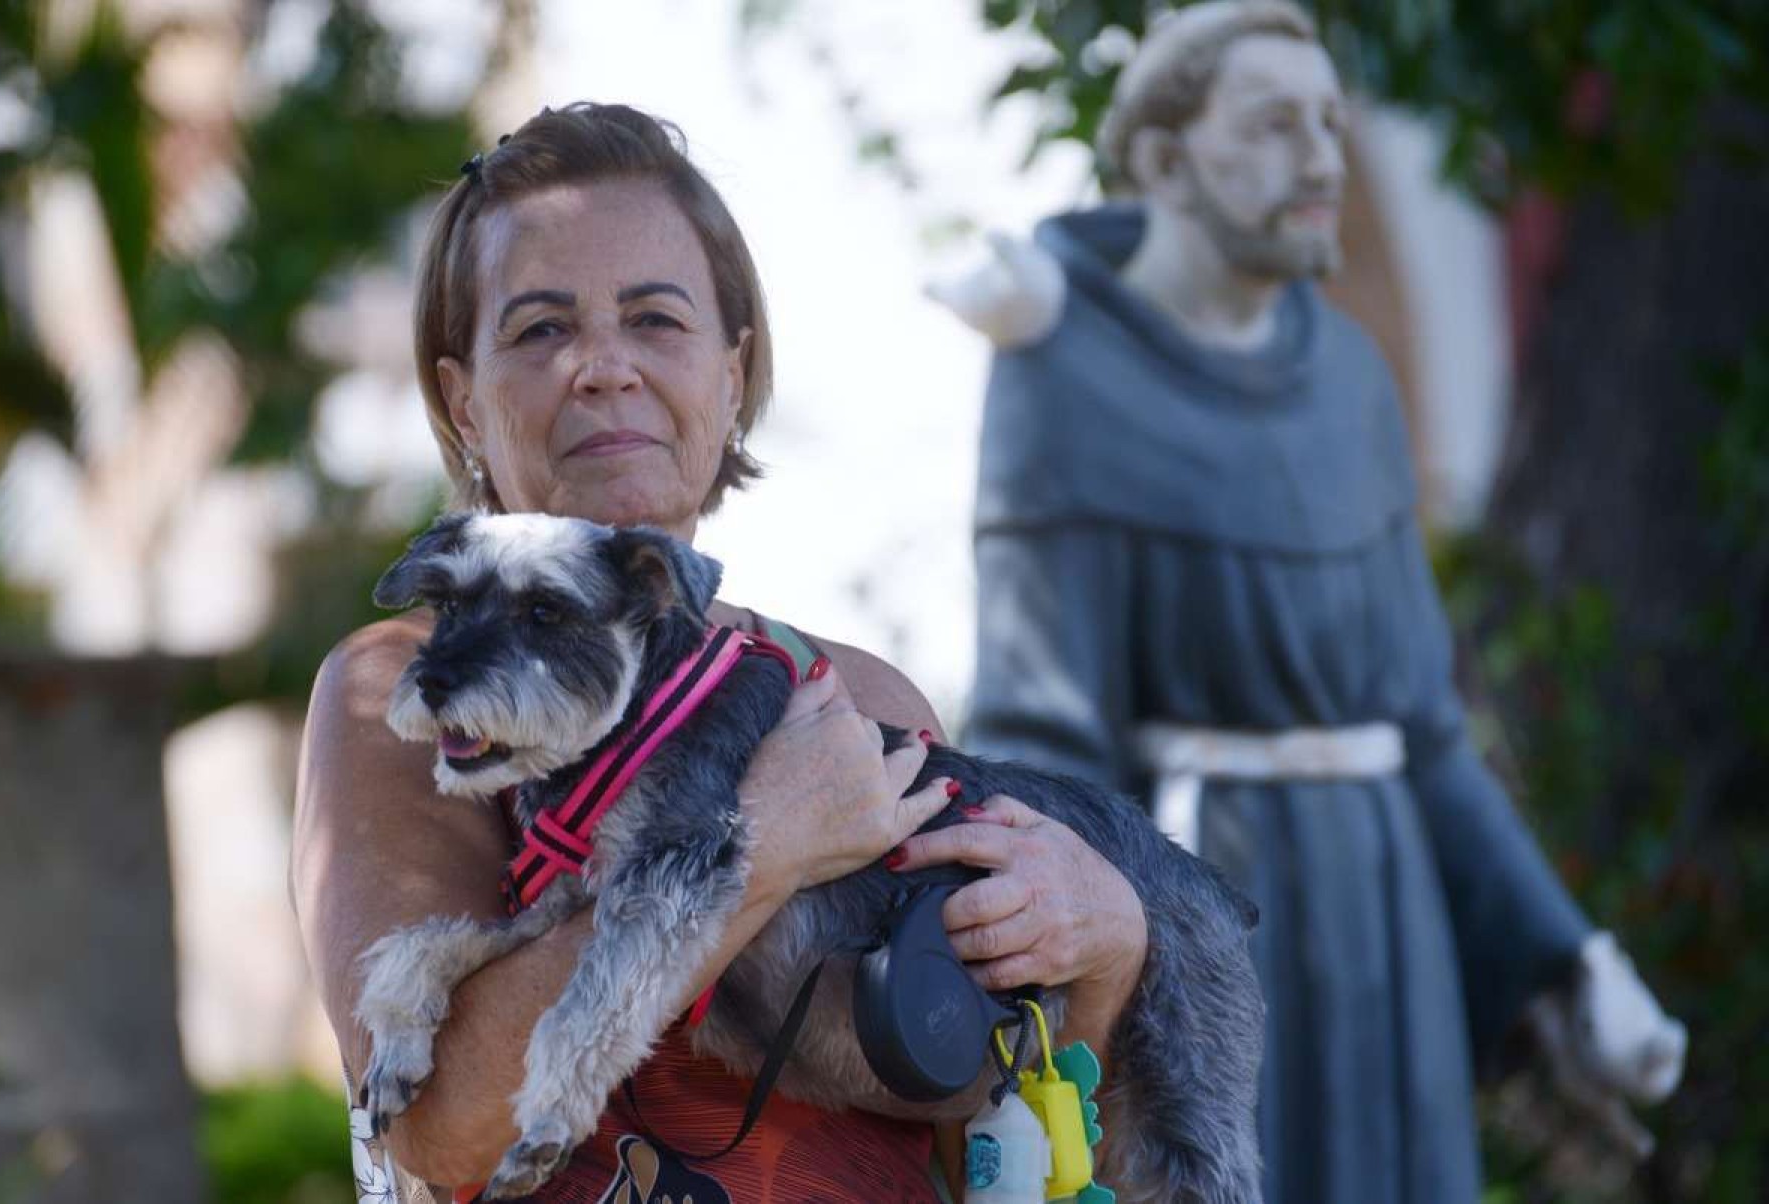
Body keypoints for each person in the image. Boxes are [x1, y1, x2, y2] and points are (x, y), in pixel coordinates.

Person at [291, 102, 1165, 1204]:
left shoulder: (859, 698)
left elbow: (978, 1141)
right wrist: (765, 843)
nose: (603, 368)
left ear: (730, 373)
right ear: (465, 400)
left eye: (656, 320)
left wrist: (1101, 949)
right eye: (540, 329)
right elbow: (438, 1124)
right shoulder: (403, 694)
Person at [943, 4, 1687, 1203]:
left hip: (1385, 920)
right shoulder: (1063, 368)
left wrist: (1565, 954)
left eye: (1331, 123)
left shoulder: (1348, 375)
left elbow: (1426, 728)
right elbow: (1045, 741)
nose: (1325, 160)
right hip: (1207, 915)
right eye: (1276, 124)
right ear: (1167, 159)